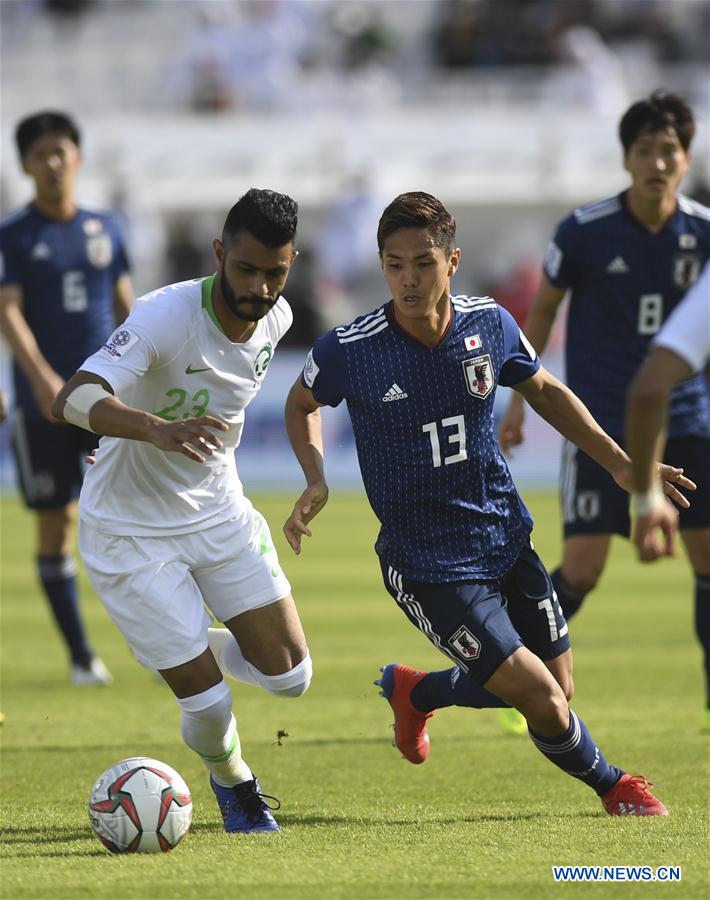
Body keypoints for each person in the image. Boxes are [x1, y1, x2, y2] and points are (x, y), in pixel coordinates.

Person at [283, 191, 693, 817]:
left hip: (503, 536)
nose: (408, 279)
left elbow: (548, 392)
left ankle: (418, 693)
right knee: (545, 701)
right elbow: (300, 403)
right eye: (394, 264)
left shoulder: (490, 323)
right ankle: (617, 787)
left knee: (558, 684)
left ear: (453, 260)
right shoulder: (351, 348)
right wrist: (314, 476)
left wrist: (623, 467)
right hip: (427, 563)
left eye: (423, 262)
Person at [51, 189, 311, 834]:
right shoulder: (165, 314)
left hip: (217, 512)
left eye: (274, 273)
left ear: (292, 263)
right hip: (129, 529)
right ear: (220, 253)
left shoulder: (275, 321)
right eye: (246, 268)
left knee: (291, 678)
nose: (258, 286)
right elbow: (72, 399)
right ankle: (235, 785)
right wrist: (151, 427)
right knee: (211, 703)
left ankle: (189, 644)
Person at [498, 90, 710, 732]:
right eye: (644, 150)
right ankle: (518, 683)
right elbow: (542, 312)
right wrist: (517, 401)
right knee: (584, 567)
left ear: (685, 157)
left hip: (689, 422)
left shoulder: (702, 232)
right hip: (600, 424)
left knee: (707, 564)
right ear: (626, 159)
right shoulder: (584, 231)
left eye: (667, 151)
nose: (656, 162)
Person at [0, 111, 134, 686]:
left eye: (62, 151)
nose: (53, 163)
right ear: (26, 165)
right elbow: (7, 309)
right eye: (41, 154)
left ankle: (169, 648)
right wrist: (40, 379)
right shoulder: (14, 236)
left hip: (106, 399)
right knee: (56, 525)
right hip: (43, 409)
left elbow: (131, 306)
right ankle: (82, 658)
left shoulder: (108, 227)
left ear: (78, 157)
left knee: (137, 520)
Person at [626, 262, 710, 728]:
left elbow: (650, 388)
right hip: (621, 423)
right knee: (583, 564)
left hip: (682, 430)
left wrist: (645, 501)